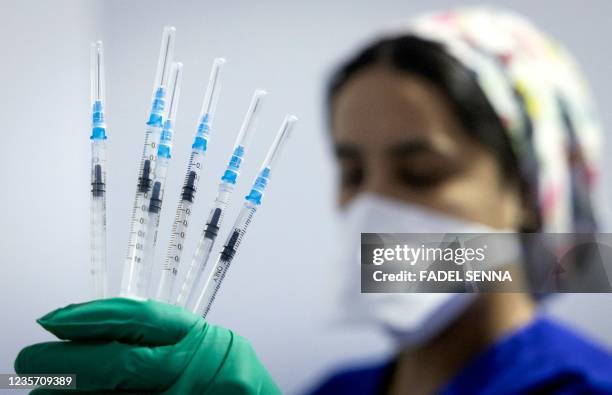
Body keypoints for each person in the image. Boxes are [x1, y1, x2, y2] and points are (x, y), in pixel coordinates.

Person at [14, 7, 612, 395]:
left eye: (421, 171)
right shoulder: (339, 389)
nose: (371, 203)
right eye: (352, 170)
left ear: (533, 198)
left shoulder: (583, 387)